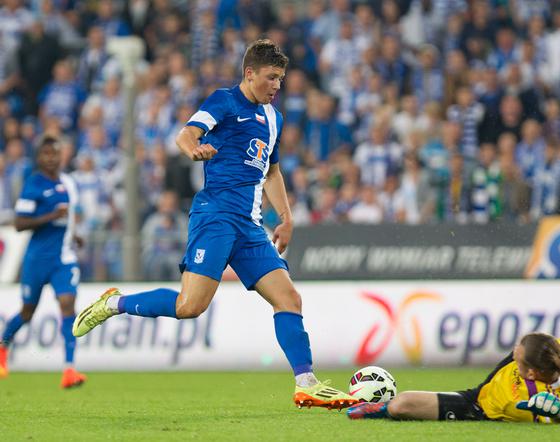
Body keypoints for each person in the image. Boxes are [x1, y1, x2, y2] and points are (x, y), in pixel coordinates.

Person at [72, 40, 357, 409]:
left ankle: (306, 383)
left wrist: (286, 218)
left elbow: (271, 171)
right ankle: (115, 303)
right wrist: (194, 148)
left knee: (289, 297)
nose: (276, 86)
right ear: (249, 73)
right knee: (190, 306)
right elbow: (186, 134)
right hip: (216, 216)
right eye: (271, 78)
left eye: (281, 80)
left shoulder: (274, 118)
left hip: (250, 226)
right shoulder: (223, 101)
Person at [347, 257, 560, 423]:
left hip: (478, 408)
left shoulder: (524, 402)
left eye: (517, 357)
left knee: (401, 405)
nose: (513, 352)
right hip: (484, 390)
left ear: (530, 373)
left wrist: (557, 414)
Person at [0, 136, 86, 389]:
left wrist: (74, 234)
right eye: (46, 154)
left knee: (68, 304)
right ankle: (3, 345)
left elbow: (68, 218)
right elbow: (19, 224)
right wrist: (50, 216)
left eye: (55, 153)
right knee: (27, 311)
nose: (51, 158)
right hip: (37, 259)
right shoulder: (33, 185)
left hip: (64, 258)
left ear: (61, 156)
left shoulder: (69, 183)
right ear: (39, 158)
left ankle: (69, 369)